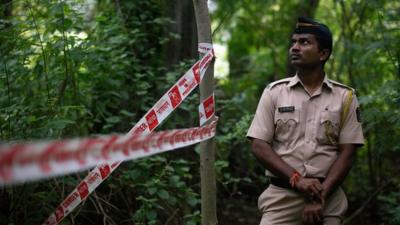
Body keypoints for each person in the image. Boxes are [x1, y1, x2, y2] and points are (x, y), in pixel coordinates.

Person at [246, 17, 364, 225]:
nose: (295, 47)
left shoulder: (345, 97)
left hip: (328, 198)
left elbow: (348, 152)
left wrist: (320, 197)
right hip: (281, 198)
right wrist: (297, 180)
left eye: (304, 42)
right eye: (294, 42)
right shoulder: (274, 92)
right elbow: (258, 145)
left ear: (323, 54)